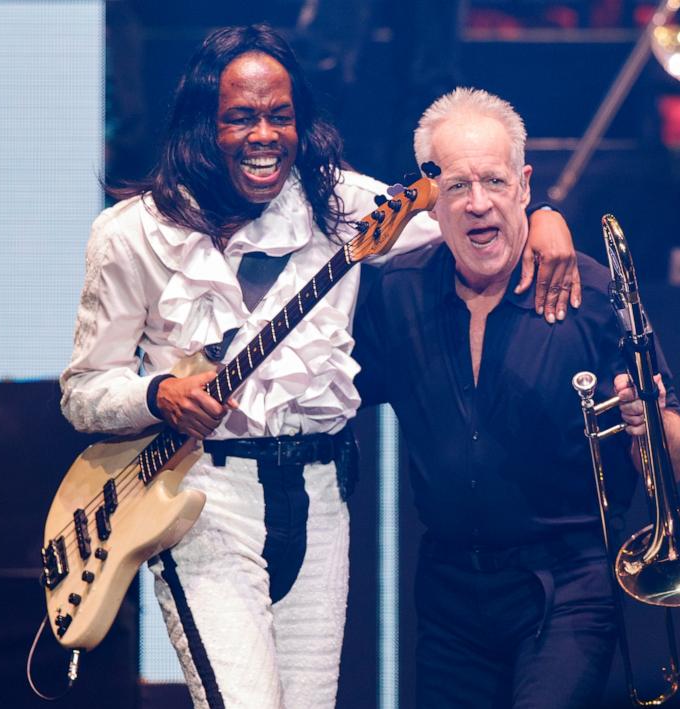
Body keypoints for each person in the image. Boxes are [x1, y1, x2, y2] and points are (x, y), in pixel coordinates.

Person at [60, 24, 582, 709]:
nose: (264, 135)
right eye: (241, 117)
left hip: (324, 496)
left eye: (281, 116)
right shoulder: (130, 234)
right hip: (204, 501)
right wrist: (159, 393)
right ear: (199, 124)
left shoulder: (340, 207)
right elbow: (83, 391)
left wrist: (545, 217)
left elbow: (468, 220)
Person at [352, 87, 680, 707]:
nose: (479, 204)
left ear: (525, 186)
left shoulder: (590, 290)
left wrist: (651, 427)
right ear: (431, 201)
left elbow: (674, 455)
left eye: (495, 182)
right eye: (457, 186)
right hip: (449, 590)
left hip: (570, 584)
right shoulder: (396, 293)